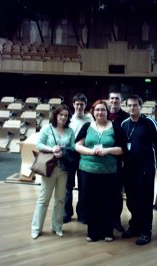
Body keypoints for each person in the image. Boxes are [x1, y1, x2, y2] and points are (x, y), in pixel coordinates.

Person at [75, 99, 126, 242]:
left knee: (108, 201)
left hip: (109, 172)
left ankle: (108, 231)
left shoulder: (116, 127)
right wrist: (91, 152)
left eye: (103, 109)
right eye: (97, 109)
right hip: (88, 170)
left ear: (107, 112)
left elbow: (122, 149)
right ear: (93, 112)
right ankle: (92, 231)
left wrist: (107, 150)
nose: (100, 112)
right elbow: (77, 145)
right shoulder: (86, 126)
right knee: (91, 201)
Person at [121, 95, 157, 245]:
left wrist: (155, 162)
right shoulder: (124, 124)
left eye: (135, 105)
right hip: (129, 169)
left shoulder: (149, 123)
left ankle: (146, 231)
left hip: (145, 169)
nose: (132, 108)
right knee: (132, 200)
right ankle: (135, 227)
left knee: (145, 201)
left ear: (141, 106)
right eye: (130, 105)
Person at [31, 104, 75, 239]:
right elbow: (38, 144)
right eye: (61, 114)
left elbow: (73, 147)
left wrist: (64, 152)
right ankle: (36, 228)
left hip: (63, 169)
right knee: (43, 199)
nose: (63, 117)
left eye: (66, 115)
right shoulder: (47, 128)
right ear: (56, 115)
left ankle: (57, 226)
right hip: (49, 168)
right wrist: (52, 149)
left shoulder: (70, 131)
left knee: (60, 200)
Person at [63, 93, 93, 224]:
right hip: (69, 155)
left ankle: (82, 213)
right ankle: (66, 213)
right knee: (67, 186)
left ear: (85, 105)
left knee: (83, 186)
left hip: (83, 154)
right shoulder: (68, 119)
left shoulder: (90, 120)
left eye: (82, 104)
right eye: (77, 104)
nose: (79, 106)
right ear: (73, 104)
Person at [108, 90, 129, 232]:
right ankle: (103, 219)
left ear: (120, 101)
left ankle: (116, 220)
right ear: (109, 100)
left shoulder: (126, 117)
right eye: (112, 98)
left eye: (117, 98)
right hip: (103, 160)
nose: (114, 101)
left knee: (116, 193)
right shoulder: (102, 114)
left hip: (118, 161)